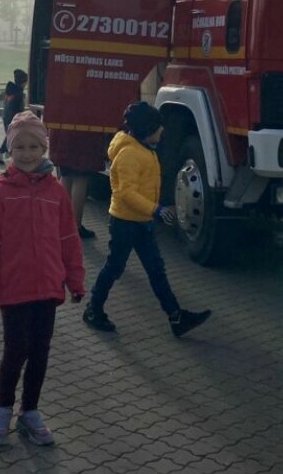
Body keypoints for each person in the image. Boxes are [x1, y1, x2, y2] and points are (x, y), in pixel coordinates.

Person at [0, 111, 85, 446]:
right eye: (20, 146)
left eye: (34, 146)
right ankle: (3, 409)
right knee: (15, 351)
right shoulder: (0, 194)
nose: (27, 153)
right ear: (10, 150)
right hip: (14, 288)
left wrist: (75, 280)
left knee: (40, 351)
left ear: (44, 149)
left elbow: (68, 239)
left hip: (48, 287)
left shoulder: (56, 192)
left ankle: (30, 411)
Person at [83, 102, 212, 339]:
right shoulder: (130, 154)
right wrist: (157, 210)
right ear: (147, 129)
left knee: (155, 270)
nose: (162, 130)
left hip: (141, 221)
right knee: (116, 267)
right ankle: (93, 309)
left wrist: (152, 212)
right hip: (125, 223)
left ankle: (176, 316)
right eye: (158, 127)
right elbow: (125, 193)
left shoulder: (143, 149)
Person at [49, 129, 104, 240]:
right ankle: (75, 227)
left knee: (66, 176)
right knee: (81, 178)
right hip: (83, 133)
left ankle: (63, 224)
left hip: (62, 132)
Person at [0, 69, 28, 165]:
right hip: (13, 119)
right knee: (13, 140)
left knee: (11, 139)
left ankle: (4, 156)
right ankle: (3, 156)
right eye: (25, 82)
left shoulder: (11, 90)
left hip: (6, 117)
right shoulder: (19, 94)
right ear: (22, 82)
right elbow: (19, 109)